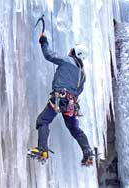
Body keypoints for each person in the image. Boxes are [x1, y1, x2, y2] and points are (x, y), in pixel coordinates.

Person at [29, 34, 93, 165]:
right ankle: (88, 153)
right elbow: (79, 91)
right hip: (71, 104)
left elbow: (49, 55)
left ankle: (42, 150)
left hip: (60, 98)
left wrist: (43, 41)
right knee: (75, 129)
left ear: (75, 52)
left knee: (43, 120)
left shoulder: (66, 60)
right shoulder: (83, 74)